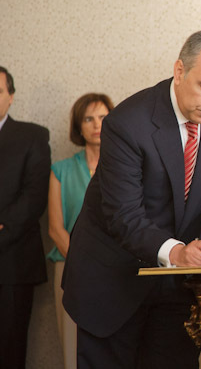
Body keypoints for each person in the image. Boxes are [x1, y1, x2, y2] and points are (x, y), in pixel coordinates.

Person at [62, 31, 201, 369]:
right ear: (179, 71)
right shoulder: (127, 122)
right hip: (111, 278)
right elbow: (124, 215)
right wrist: (178, 252)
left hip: (175, 286)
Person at [47, 92, 114, 369]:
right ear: (79, 125)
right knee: (74, 347)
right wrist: (83, 264)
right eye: (88, 118)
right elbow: (55, 228)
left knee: (115, 347)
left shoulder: (126, 167)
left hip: (115, 271)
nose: (96, 124)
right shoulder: (60, 170)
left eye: (102, 117)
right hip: (70, 267)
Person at [0, 66, 51, 369]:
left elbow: (34, 196)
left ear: (11, 97)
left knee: (9, 349)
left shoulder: (32, 136)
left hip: (12, 262)